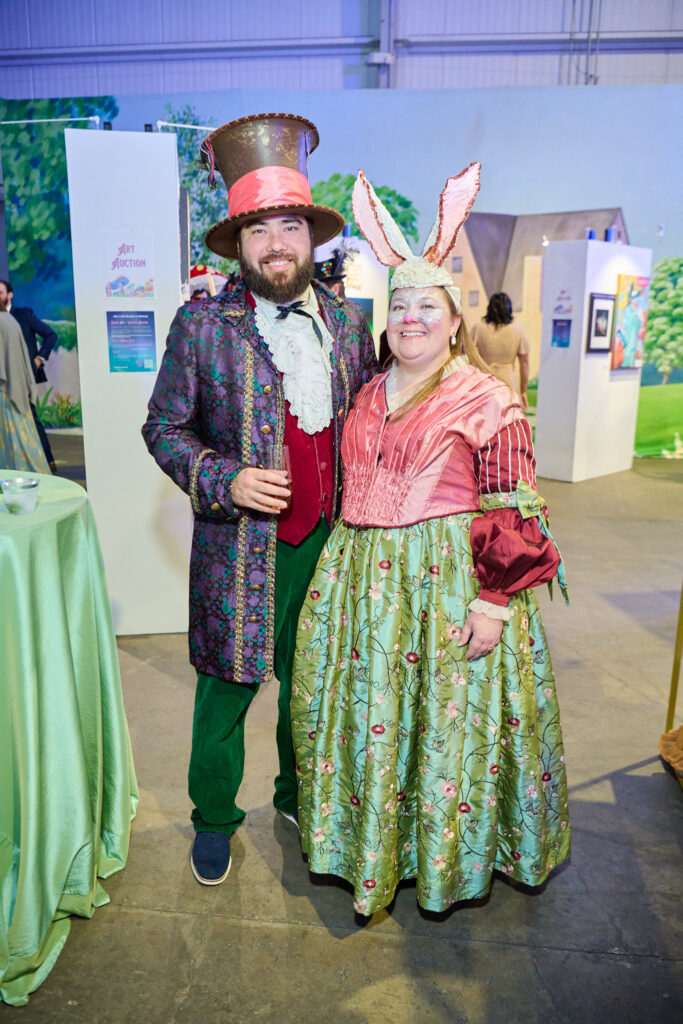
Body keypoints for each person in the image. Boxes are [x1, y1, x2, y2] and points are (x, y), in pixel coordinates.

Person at [291, 164, 570, 917]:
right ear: (387, 319)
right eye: (399, 306)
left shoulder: (486, 396)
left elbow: (513, 503)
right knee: (374, 725)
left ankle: (447, 861)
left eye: (427, 307)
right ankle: (372, 850)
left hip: (446, 584)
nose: (410, 319)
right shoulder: (368, 392)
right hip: (361, 588)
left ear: (453, 321)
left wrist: (492, 602)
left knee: (445, 730)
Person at [142, 113, 377, 888]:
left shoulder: (348, 324)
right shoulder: (202, 326)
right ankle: (213, 818)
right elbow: (164, 427)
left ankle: (295, 795)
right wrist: (225, 479)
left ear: (309, 236)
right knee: (225, 691)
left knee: (308, 684)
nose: (275, 245)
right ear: (237, 246)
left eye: (288, 226)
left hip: (327, 543)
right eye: (258, 232)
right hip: (238, 545)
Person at [0, 280, 57, 472]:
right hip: (10, 381)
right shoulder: (7, 320)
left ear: (10, 294)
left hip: (19, 379)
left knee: (28, 423)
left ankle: (46, 461)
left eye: (1, 291)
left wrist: (38, 360)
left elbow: (50, 335)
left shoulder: (21, 315)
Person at [471, 292, 530, 409]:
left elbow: (465, 354)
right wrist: (523, 390)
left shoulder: (478, 328)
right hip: (508, 383)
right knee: (509, 421)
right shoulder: (517, 329)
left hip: (484, 381)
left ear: (489, 308)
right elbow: (524, 363)